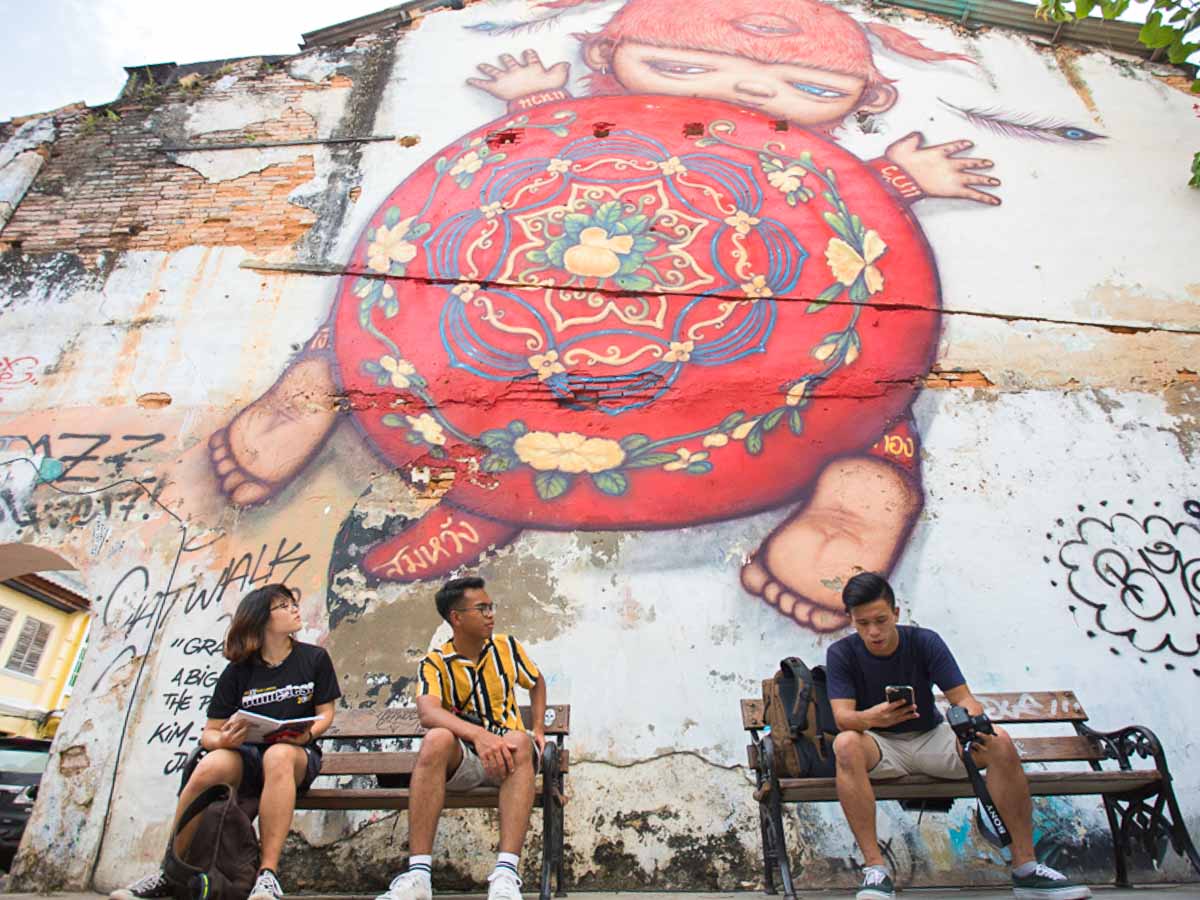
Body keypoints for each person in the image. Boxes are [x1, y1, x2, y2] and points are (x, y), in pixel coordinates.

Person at [826, 572, 1091, 900]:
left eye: (880, 620)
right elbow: (843, 718)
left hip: (930, 737)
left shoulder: (924, 642)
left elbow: (963, 697)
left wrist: (971, 719)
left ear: (896, 612)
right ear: (850, 619)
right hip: (880, 746)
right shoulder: (842, 653)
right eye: (862, 623)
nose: (873, 631)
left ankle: (1026, 869)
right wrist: (873, 717)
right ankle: (875, 870)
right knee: (846, 743)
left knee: (1000, 742)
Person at [111, 584, 340, 900]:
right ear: (262, 619)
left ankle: (267, 876)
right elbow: (209, 733)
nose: (294, 609)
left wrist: (309, 733)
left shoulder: (314, 658)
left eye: (293, 603)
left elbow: (326, 714)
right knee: (211, 763)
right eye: (284, 605)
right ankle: (170, 871)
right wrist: (225, 740)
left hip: (297, 754)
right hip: (246, 754)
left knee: (279, 755)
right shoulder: (238, 671)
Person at [376, 575, 547, 900]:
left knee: (520, 739)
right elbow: (428, 712)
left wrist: (538, 727)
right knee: (437, 739)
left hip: (513, 762)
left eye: (490, 607)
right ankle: (419, 877)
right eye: (481, 608)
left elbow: (536, 682)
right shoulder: (435, 663)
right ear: (456, 617)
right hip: (466, 762)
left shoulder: (507, 648)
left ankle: (506, 875)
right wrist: (479, 736)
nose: (490, 615)